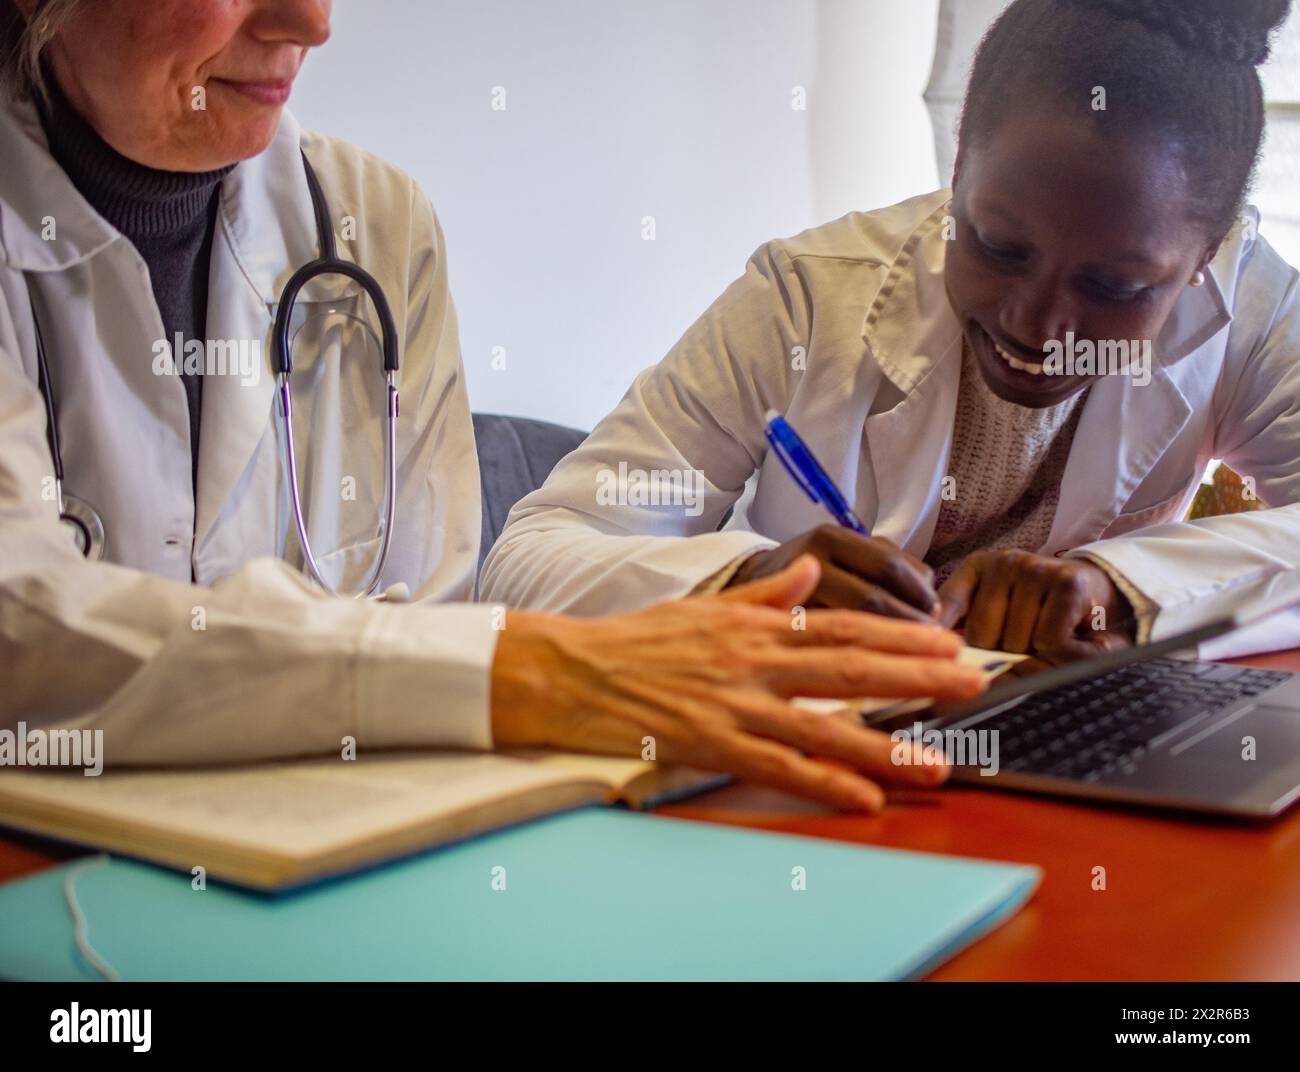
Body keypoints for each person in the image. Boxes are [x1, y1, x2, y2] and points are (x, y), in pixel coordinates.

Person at [0, 0, 986, 813]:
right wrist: (527, 671)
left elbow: (427, 607)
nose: (311, 20)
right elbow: (22, 632)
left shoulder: (372, 226)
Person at [482, 0, 1300, 663]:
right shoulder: (806, 297)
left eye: (1115, 286)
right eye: (997, 247)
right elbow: (531, 559)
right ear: (955, 176)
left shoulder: (1254, 313)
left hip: (1066, 763)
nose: (1035, 324)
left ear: (1206, 255)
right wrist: (750, 579)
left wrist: (1123, 585)